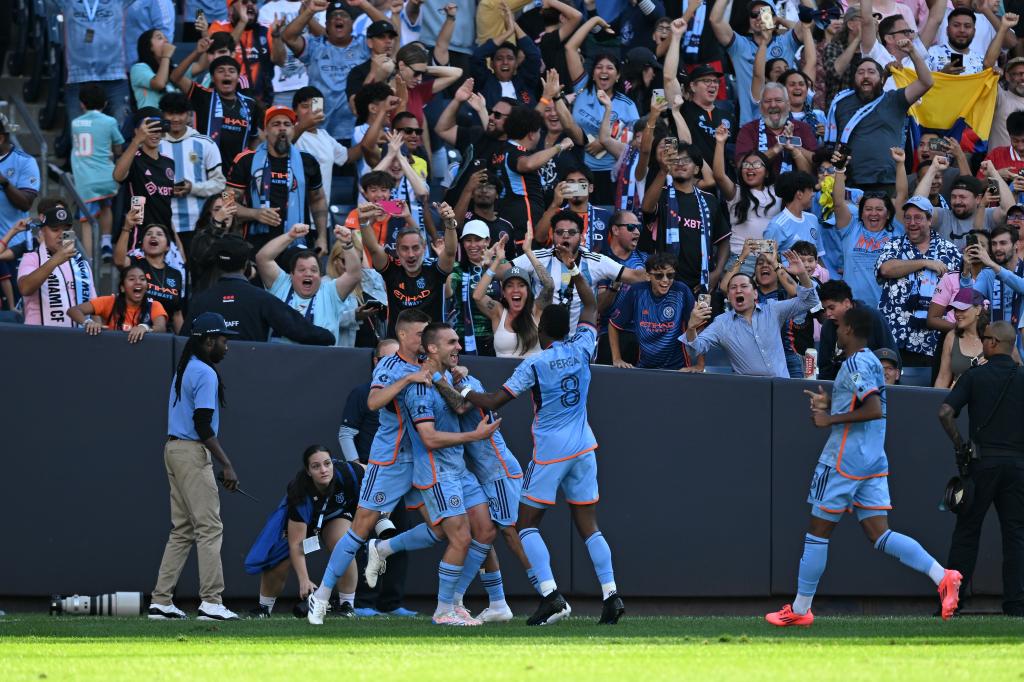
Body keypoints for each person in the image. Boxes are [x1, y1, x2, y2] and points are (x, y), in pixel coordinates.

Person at [459, 247, 626, 626]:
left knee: (524, 524)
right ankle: (611, 594)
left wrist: (461, 388)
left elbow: (492, 401)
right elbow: (589, 306)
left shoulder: (534, 363)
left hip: (551, 451)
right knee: (589, 526)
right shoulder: (584, 346)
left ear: (542, 330)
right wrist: (577, 272)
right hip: (585, 446)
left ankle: (550, 595)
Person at [766, 305, 962, 626]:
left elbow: (872, 409)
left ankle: (800, 611)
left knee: (818, 532)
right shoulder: (870, 360)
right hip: (871, 458)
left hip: (845, 459)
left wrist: (829, 417)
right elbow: (868, 400)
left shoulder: (856, 362)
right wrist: (830, 402)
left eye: (839, 325)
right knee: (879, 534)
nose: (836, 329)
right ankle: (942, 575)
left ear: (849, 330)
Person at [305, 309, 437, 625]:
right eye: (421, 334)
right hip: (388, 461)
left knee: (442, 528)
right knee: (359, 530)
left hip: (421, 459)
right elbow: (373, 403)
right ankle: (320, 597)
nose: (426, 340)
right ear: (404, 336)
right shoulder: (391, 366)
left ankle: (386, 549)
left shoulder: (428, 364)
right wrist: (408, 378)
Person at [150, 312, 241, 622]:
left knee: (184, 529)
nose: (227, 346)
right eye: (223, 340)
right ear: (208, 340)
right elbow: (202, 424)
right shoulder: (204, 372)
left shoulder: (186, 367)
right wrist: (226, 464)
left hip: (172, 450)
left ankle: (161, 601)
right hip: (191, 451)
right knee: (209, 527)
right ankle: (211, 602)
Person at [938, 320, 1024, 616]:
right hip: (1016, 465)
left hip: (981, 463)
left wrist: (961, 445)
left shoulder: (975, 377)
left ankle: (952, 603)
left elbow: (945, 413)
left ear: (993, 344)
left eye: (986, 338)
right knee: (1016, 535)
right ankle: (1016, 605)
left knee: (967, 533)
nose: (983, 343)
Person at [337, 339, 417, 617]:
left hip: (402, 474)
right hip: (372, 476)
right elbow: (346, 434)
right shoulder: (362, 393)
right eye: (389, 358)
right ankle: (363, 602)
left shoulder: (413, 390)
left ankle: (392, 602)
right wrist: (358, 467)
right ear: (376, 362)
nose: (397, 363)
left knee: (401, 535)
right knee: (365, 537)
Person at [244, 445, 365, 618]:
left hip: (336, 515)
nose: (323, 470)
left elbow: (376, 475)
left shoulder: (349, 471)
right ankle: (264, 609)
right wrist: (304, 580)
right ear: (308, 471)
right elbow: (297, 544)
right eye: (316, 466)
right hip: (308, 524)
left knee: (343, 545)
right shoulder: (299, 491)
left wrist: (382, 517)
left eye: (327, 464)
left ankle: (347, 606)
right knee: (279, 560)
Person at [685, 249, 818, 377]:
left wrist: (802, 275)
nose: (738, 290)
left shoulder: (773, 310)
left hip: (781, 388)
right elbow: (695, 349)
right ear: (729, 297)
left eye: (743, 286)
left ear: (755, 293)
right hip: (749, 392)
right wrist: (691, 328)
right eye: (733, 288)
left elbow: (809, 302)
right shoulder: (721, 323)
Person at [183, 235, 335, 345]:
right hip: (251, 376)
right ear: (246, 266)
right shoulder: (260, 298)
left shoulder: (200, 300)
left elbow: (184, 339)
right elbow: (297, 328)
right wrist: (328, 336)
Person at [512, 210, 647, 333]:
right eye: (559, 232)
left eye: (571, 232)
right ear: (552, 235)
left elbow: (634, 275)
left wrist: (663, 267)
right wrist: (495, 261)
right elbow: (503, 271)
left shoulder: (595, 261)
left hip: (579, 343)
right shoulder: (538, 257)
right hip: (542, 340)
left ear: (581, 237)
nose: (565, 237)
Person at [825, 42, 932, 192]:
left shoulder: (895, 99)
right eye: (860, 72)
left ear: (882, 78)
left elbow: (926, 82)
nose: (866, 76)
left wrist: (913, 52)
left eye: (871, 72)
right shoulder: (841, 103)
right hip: (850, 182)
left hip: (888, 181)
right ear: (854, 78)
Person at [875, 196, 963, 367]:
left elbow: (960, 292)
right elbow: (886, 269)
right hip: (896, 335)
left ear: (930, 220)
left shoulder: (950, 251)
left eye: (918, 218)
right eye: (908, 218)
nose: (912, 222)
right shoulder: (894, 245)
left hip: (934, 339)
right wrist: (924, 262)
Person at [228, 106, 328, 254]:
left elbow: (318, 199)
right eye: (276, 124)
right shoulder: (245, 160)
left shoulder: (308, 161)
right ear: (266, 131)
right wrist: (254, 213)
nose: (282, 128)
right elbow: (226, 198)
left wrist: (322, 237)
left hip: (298, 246)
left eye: (287, 124)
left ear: (293, 130)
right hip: (255, 245)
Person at [282, 0, 384, 144]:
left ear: (352, 23)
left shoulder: (364, 46)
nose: (338, 18)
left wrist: (364, 4)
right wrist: (310, 10)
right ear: (327, 25)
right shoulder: (314, 46)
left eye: (344, 15)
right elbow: (288, 37)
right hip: (318, 130)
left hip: (355, 130)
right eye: (333, 16)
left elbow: (388, 29)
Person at [639, 141, 729, 294]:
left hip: (701, 284)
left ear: (697, 169)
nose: (679, 164)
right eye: (675, 160)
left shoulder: (709, 200)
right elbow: (646, 208)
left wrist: (717, 272)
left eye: (686, 160)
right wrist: (662, 170)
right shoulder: (661, 194)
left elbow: (723, 241)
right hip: (666, 281)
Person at [360, 201, 457, 338]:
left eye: (415, 248)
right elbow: (374, 250)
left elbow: (450, 252)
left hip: (431, 345)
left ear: (424, 249)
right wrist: (364, 222)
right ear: (397, 251)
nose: (411, 254)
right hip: (398, 345)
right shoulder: (392, 269)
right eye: (405, 249)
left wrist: (449, 223)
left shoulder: (434, 269)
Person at [255, 223, 361, 345]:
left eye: (314, 270)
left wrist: (347, 244)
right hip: (280, 360)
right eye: (302, 270)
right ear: (291, 274)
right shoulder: (282, 284)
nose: (308, 274)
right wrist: (290, 236)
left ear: (320, 276)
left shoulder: (330, 292)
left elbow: (354, 275)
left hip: (320, 361)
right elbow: (262, 258)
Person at [566, 31, 640, 203]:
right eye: (599, 67)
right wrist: (595, 19)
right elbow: (570, 48)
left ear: (618, 76)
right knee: (577, 212)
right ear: (592, 74)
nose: (603, 71)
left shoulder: (627, 105)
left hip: (612, 174)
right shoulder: (582, 89)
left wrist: (605, 141)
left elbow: (635, 142)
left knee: (607, 217)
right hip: (579, 170)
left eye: (609, 68)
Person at [829, 149, 906, 307]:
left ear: (888, 213)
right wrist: (839, 170)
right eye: (868, 209)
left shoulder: (896, 229)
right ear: (861, 212)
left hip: (889, 307)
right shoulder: (851, 228)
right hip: (853, 307)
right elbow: (838, 202)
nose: (873, 213)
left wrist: (900, 164)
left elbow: (902, 195)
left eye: (879, 209)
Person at [709, 0, 803, 126]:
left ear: (772, 16)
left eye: (764, 13)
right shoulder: (740, 46)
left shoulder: (786, 42)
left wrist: (779, 20)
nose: (758, 17)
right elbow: (715, 20)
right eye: (753, 14)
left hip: (785, 124)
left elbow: (807, 23)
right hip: (750, 126)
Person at [158, 92, 227, 256]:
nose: (175, 118)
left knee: (198, 277)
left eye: (180, 113)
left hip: (199, 224)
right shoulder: (154, 144)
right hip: (164, 225)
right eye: (170, 113)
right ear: (163, 114)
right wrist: (167, 189)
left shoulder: (205, 143)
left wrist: (192, 188)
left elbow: (219, 183)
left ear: (189, 115)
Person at [171, 54, 260, 173]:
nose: (226, 74)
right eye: (221, 70)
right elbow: (175, 77)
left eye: (231, 71)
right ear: (213, 78)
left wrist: (249, 164)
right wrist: (197, 52)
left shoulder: (250, 104)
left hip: (235, 174)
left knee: (228, 193)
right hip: (203, 171)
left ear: (238, 77)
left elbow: (254, 138)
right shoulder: (202, 95)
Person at [474, 227, 555, 358]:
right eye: (510, 286)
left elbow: (549, 286)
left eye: (521, 285)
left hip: (532, 377)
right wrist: (496, 262)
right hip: (504, 377)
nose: (516, 290)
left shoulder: (536, 310)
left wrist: (528, 252)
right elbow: (478, 296)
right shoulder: (498, 312)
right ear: (504, 293)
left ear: (528, 291)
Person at [608, 252, 696, 370]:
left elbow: (699, 327)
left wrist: (700, 364)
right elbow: (613, 325)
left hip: (678, 368)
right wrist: (617, 358)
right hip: (645, 368)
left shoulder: (682, 291)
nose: (665, 280)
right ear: (648, 276)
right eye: (659, 276)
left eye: (670, 275)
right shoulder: (636, 292)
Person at [713, 124, 781, 277]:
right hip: (741, 260)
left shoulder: (778, 192)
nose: (750, 168)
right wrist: (720, 143)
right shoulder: (736, 193)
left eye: (756, 164)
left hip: (770, 261)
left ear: (767, 172)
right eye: (746, 165)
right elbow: (718, 175)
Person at [17, 203, 96, 328]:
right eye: (55, 230)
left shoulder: (82, 264)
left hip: (78, 341)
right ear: (43, 231)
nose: (61, 235)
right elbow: (25, 288)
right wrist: (55, 260)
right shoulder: (32, 258)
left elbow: (94, 306)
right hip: (40, 340)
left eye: (66, 230)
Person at [70, 84, 123, 263]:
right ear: (106, 103)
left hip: (85, 179)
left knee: (86, 220)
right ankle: (106, 244)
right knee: (106, 206)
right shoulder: (110, 122)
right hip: (106, 176)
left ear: (82, 104)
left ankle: (89, 260)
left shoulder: (75, 123)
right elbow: (118, 147)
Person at [113, 208, 186, 332]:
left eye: (159, 234)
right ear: (142, 244)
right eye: (149, 234)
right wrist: (127, 228)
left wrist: (183, 343)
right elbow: (119, 261)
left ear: (168, 247)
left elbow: (177, 315)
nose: (153, 236)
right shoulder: (135, 263)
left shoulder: (175, 274)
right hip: (131, 330)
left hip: (163, 336)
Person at [817, 279, 898, 381]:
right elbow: (825, 369)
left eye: (832, 308)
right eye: (825, 309)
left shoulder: (873, 317)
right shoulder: (828, 326)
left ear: (847, 303)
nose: (828, 314)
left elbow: (893, 360)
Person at [112, 109, 176, 239]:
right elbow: (117, 176)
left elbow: (167, 207)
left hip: (166, 236)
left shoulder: (169, 162)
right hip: (140, 235)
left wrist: (177, 242)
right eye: (150, 129)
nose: (155, 134)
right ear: (137, 131)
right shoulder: (133, 158)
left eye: (158, 129)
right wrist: (136, 141)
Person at [67, 264, 169, 342]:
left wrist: (144, 327)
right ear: (122, 288)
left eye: (142, 279)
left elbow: (161, 328)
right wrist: (88, 323)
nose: (138, 282)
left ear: (146, 286)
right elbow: (73, 310)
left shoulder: (154, 305)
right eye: (132, 279)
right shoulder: (110, 301)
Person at [734, 83, 817, 176]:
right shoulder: (749, 130)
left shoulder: (802, 128)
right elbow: (741, 165)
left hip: (796, 189)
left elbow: (814, 168)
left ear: (788, 105)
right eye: (767, 101)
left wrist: (795, 149)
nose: (773, 105)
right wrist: (776, 149)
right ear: (761, 107)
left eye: (778, 100)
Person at [471, 6, 542, 108]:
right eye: (499, 58)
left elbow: (534, 55)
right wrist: (508, 32)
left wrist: (513, 25)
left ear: (517, 63)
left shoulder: (525, 81)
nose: (505, 62)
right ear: (491, 64)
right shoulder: (485, 81)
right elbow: (477, 56)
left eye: (510, 58)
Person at [291, 86, 352, 207]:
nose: (309, 111)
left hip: (323, 215)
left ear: (322, 110)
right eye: (304, 106)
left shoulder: (324, 135)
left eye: (314, 106)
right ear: (294, 110)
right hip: (297, 215)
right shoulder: (290, 132)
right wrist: (303, 125)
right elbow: (283, 146)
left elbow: (347, 156)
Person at [535, 168, 614, 255]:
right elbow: (539, 238)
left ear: (590, 188)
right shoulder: (554, 213)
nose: (576, 187)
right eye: (571, 183)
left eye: (581, 182)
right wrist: (555, 204)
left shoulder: (606, 216)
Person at [764, 170, 826, 261]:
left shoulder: (813, 219)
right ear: (799, 194)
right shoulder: (776, 226)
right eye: (810, 190)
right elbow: (766, 261)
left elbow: (818, 257)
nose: (813, 194)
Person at [935, 288, 990, 389]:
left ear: (978, 310)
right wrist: (935, 402)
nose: (957, 314)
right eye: (956, 309)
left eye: (963, 309)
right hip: (959, 402)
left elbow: (1015, 370)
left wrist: (995, 364)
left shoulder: (995, 335)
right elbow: (943, 378)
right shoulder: (951, 337)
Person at [131, 28, 177, 110]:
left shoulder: (173, 67)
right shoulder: (138, 68)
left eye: (166, 38)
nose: (166, 41)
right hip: (152, 119)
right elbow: (159, 84)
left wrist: (199, 50)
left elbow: (199, 67)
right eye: (160, 38)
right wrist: (166, 56)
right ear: (149, 46)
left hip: (174, 119)